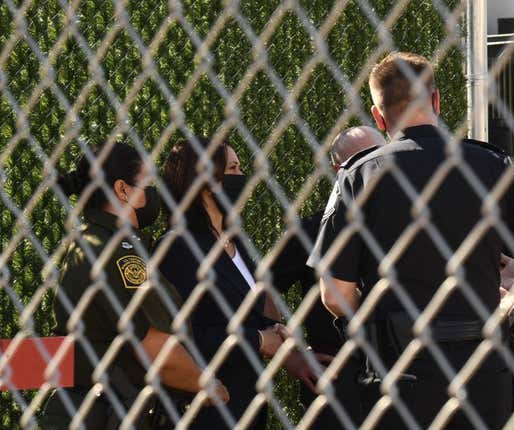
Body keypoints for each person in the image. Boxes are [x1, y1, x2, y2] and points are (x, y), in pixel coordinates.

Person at [307, 51, 514, 429]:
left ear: (378, 116)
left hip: (400, 374)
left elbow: (334, 294)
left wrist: (372, 323)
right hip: (481, 374)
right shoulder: (488, 165)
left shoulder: (360, 176)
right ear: (436, 100)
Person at [42, 142, 229, 429]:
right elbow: (156, 349)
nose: (153, 194)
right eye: (147, 184)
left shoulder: (97, 241)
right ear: (123, 190)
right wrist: (208, 385)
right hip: (108, 413)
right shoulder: (117, 251)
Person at [157, 137, 333, 429]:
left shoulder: (233, 239)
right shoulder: (178, 247)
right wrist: (260, 341)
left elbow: (249, 308)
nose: (241, 177)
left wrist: (283, 345)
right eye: (233, 168)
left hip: (246, 403)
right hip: (206, 409)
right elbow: (187, 337)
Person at [270, 125, 384, 429]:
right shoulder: (310, 231)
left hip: (400, 366)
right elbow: (259, 288)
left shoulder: (409, 222)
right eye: (364, 159)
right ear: (339, 170)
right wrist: (291, 352)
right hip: (337, 375)